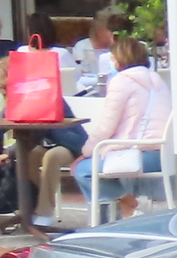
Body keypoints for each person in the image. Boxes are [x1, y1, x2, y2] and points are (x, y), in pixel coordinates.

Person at [40, 36, 167, 220]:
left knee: (83, 170)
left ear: (120, 58)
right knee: (97, 164)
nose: (111, 61)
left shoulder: (121, 81)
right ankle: (129, 207)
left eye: (113, 57)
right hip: (162, 153)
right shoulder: (157, 79)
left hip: (140, 154)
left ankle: (125, 209)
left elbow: (106, 127)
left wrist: (85, 152)